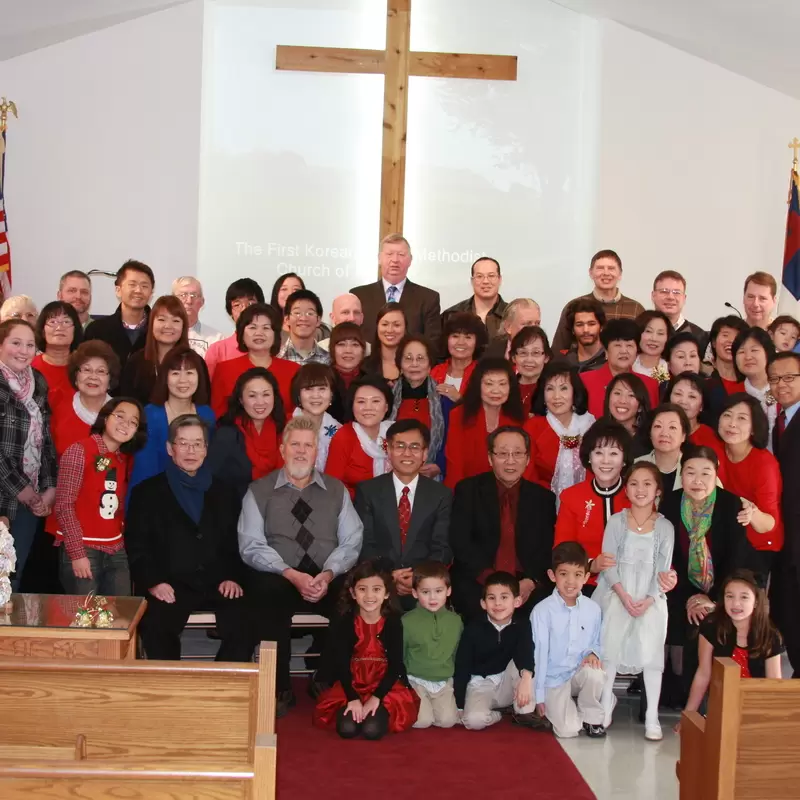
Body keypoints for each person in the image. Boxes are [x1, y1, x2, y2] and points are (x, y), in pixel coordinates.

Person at [238, 416, 363, 714]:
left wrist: (328, 573)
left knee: (353, 602)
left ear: (317, 450)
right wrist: (290, 574)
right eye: (295, 444)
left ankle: (325, 677)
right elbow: (250, 544)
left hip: (325, 574)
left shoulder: (337, 490)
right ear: (282, 449)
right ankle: (279, 687)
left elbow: (352, 540)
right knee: (267, 598)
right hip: (280, 574)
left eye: (308, 445)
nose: (301, 451)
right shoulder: (259, 490)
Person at [126, 414, 253, 661]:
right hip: (170, 583)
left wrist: (232, 577)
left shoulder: (225, 491)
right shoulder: (147, 492)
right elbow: (137, 544)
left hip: (217, 581)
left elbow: (237, 541)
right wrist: (153, 581)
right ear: (170, 448)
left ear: (206, 449)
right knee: (156, 625)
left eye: (197, 443)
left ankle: (222, 687)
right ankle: (174, 692)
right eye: (183, 443)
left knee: (246, 620)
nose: (190, 450)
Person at [660, 446, 760, 700]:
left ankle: (704, 696)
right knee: (668, 610)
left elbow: (736, 560)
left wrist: (712, 598)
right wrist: (690, 597)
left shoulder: (730, 504)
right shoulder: (670, 504)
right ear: (681, 475)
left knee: (711, 616)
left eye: (706, 473)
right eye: (690, 472)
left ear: (715, 476)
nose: (697, 480)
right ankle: (670, 689)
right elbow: (667, 557)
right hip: (680, 587)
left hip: (723, 587)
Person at [595, 462, 674, 740]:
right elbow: (608, 562)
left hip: (650, 598)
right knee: (610, 651)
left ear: (657, 491)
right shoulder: (616, 521)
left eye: (647, 484)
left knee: (653, 656)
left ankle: (652, 715)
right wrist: (624, 595)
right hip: (618, 593)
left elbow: (663, 569)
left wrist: (649, 599)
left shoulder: (665, 527)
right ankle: (604, 705)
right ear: (626, 489)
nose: (640, 490)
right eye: (634, 484)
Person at [449, 426, 555, 619]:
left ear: (528, 459)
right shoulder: (468, 490)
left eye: (517, 454)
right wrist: (491, 582)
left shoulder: (543, 498)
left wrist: (531, 581)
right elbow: (460, 541)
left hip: (526, 586)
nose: (510, 461)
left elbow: (547, 548)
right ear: (490, 458)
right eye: (503, 454)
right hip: (479, 581)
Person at [314, 561, 419, 737]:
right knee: (347, 729)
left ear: (386, 593)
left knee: (372, 730)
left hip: (383, 685)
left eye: (376, 589)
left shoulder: (393, 622)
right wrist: (353, 698)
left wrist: (376, 698)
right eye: (362, 589)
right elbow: (341, 664)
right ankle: (354, 707)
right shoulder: (346, 621)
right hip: (352, 683)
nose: (369, 596)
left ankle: (376, 711)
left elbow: (395, 666)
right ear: (353, 593)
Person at [54, 397, 146, 594]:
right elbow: (63, 505)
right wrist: (77, 554)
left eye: (133, 422)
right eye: (120, 416)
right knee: (86, 618)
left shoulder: (122, 459)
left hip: (115, 549)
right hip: (83, 548)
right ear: (105, 418)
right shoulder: (79, 451)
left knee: (121, 616)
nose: (125, 424)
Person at [355, 420, 452, 603]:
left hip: (425, 587)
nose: (407, 453)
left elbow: (442, 546)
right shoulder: (368, 491)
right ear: (389, 451)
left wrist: (418, 578)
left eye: (415, 447)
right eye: (399, 446)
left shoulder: (441, 495)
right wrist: (389, 575)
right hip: (378, 584)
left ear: (425, 454)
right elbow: (365, 543)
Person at [681, 570, 782, 727]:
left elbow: (774, 683)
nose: (736, 604)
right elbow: (703, 673)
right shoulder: (711, 626)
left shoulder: (770, 635)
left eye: (744, 597)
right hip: (719, 699)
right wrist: (688, 717)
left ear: (755, 602)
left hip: (754, 702)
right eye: (730, 596)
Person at [0, 319, 57, 589]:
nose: (23, 350)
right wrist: (20, 488)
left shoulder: (38, 382)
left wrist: (49, 489)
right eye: (15, 343)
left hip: (29, 501)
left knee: (14, 576)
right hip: (7, 494)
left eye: (30, 345)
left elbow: (45, 440)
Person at [454, 571, 547, 730]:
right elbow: (462, 667)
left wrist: (526, 678)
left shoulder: (522, 624)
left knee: (526, 666)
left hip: (507, 682)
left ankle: (522, 711)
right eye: (491, 598)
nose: (498, 604)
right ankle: (498, 714)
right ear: (483, 603)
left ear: (517, 601)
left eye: (504, 597)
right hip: (481, 684)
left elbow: (525, 652)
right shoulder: (473, 629)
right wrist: (460, 706)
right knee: (473, 721)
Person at [532, 542, 606, 738]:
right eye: (563, 574)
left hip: (578, 672)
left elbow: (598, 641)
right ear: (552, 575)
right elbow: (538, 654)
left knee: (595, 673)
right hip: (553, 679)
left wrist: (593, 652)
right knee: (568, 731)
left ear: (587, 576)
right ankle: (560, 709)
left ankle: (591, 717)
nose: (570, 581)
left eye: (578, 574)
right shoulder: (542, 611)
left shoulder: (593, 609)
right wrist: (538, 696)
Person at [129, 347, 215, 493]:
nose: (183, 380)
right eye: (175, 373)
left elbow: (208, 465)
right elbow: (143, 471)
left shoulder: (207, 414)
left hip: (197, 494)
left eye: (189, 373)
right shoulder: (149, 415)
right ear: (165, 377)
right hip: (155, 496)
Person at [717, 393, 783, 571]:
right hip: (727, 540)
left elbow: (768, 524)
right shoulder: (714, 450)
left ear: (754, 428)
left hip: (758, 545)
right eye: (727, 415)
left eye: (742, 418)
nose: (732, 424)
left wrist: (751, 512)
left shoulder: (764, 464)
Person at [444, 358, 525, 489]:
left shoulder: (519, 418)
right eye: (489, 383)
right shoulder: (459, 415)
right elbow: (455, 465)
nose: (496, 390)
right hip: (469, 492)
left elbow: (523, 464)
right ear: (478, 386)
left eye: (502, 384)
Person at [207, 368, 286, 500]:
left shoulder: (284, 430)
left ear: (274, 397)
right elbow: (210, 480)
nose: (260, 402)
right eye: (252, 396)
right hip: (235, 512)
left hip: (276, 509)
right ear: (241, 400)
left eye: (266, 394)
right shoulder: (226, 435)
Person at [402, 561, 463, 729]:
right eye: (425, 592)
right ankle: (421, 707)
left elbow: (457, 653)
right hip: (416, 681)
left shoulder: (456, 621)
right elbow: (401, 654)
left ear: (448, 591)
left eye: (438, 591)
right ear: (415, 593)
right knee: (422, 721)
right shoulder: (406, 622)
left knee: (447, 722)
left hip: (443, 681)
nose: (433, 597)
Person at [768, 351, 800, 673]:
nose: (781, 384)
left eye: (790, 377)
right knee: (787, 618)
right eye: (775, 379)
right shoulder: (782, 420)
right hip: (786, 543)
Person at [210, 302, 298, 417]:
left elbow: (298, 415)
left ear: (276, 335)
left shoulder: (293, 370)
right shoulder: (224, 369)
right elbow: (217, 414)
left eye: (266, 328)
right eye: (252, 327)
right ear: (241, 334)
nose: (259, 333)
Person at [351, 233, 441, 345]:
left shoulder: (428, 298)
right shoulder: (359, 296)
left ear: (410, 260)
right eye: (389, 254)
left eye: (401, 254)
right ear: (379, 259)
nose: (395, 260)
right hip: (368, 361)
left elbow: (433, 344)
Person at [523, 361, 595, 498]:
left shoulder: (591, 425)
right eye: (550, 389)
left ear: (575, 392)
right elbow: (528, 474)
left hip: (588, 501)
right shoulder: (532, 427)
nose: (557, 396)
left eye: (563, 388)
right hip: (543, 501)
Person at [552, 250, 645, 354]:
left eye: (611, 268)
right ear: (591, 273)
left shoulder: (636, 308)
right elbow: (558, 349)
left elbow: (643, 350)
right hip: (581, 369)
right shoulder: (575, 306)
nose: (606, 273)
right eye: (600, 268)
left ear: (620, 274)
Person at [326, 376, 394, 499]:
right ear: (352, 406)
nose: (368, 407)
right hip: (353, 509)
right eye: (361, 401)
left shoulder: (395, 434)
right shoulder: (344, 437)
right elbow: (332, 487)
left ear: (386, 407)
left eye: (376, 401)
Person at [389, 335, 448, 477]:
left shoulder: (444, 399)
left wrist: (440, 464)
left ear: (429, 365)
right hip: (391, 473)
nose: (414, 364)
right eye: (408, 358)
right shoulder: (387, 398)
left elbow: (453, 441)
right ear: (400, 365)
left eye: (420, 358)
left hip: (431, 477)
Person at [580, 319, 659, 419]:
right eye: (617, 345)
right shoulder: (585, 381)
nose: (624, 351)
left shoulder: (649, 384)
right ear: (606, 352)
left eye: (629, 345)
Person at [119, 295, 190, 405]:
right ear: (151, 323)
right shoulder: (135, 362)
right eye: (161, 319)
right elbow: (126, 404)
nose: (168, 326)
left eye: (176, 321)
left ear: (183, 326)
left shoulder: (194, 362)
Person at [51, 341, 118, 457]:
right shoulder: (56, 403)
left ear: (110, 381)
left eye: (101, 371)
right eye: (86, 370)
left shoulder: (121, 414)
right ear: (76, 376)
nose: (93, 376)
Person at [84, 260, 154, 369]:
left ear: (151, 293)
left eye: (144, 286)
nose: (138, 290)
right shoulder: (97, 330)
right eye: (132, 284)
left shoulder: (158, 331)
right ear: (118, 290)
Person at [667, 372, 727, 472]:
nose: (683, 401)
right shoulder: (657, 429)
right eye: (678, 394)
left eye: (692, 397)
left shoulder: (710, 438)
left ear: (702, 406)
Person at [205, 278, 266, 377]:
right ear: (230, 313)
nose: (244, 309)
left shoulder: (273, 347)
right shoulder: (218, 350)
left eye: (250, 303)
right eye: (237, 305)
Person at [732, 327, 779, 450]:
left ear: (768, 353)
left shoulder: (785, 389)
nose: (748, 357)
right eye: (741, 352)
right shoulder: (733, 395)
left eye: (754, 350)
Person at [290, 363, 341, 472]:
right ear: (298, 394)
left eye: (322, 389)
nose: (316, 396)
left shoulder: (339, 431)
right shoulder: (283, 425)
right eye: (308, 389)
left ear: (332, 394)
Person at [441, 257, 507, 340]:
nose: (485, 281)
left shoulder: (511, 315)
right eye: (479, 276)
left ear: (499, 279)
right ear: (472, 281)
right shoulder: (451, 315)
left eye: (491, 276)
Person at [32, 300, 83, 406]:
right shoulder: (29, 367)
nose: (60, 328)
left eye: (66, 322)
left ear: (75, 330)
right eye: (53, 322)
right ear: (42, 331)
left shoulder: (83, 368)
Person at [430, 311, 486, 404]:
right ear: (446, 339)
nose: (461, 342)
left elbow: (486, 413)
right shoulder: (435, 371)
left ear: (477, 342)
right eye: (455, 336)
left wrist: (459, 400)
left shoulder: (483, 375)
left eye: (468, 337)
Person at [635, 403, 691, 491]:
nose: (664, 433)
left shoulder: (695, 467)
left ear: (683, 436)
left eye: (672, 427)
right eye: (658, 426)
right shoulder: (636, 466)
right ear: (650, 433)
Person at [705, 315, 748, 422]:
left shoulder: (750, 382)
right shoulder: (703, 379)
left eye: (737, 337)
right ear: (714, 342)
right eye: (725, 335)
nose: (730, 341)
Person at [650, 270, 706, 348]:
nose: (670, 297)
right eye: (664, 291)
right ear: (653, 296)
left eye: (676, 292)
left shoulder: (699, 336)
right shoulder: (640, 330)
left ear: (684, 298)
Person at [172, 276, 224, 357]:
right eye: (183, 295)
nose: (189, 301)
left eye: (194, 295)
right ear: (173, 300)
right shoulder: (165, 334)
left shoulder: (216, 339)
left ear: (202, 301)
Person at [328, 322, 368, 422]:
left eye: (355, 345)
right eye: (341, 344)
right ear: (332, 349)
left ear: (363, 350)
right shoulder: (322, 379)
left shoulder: (371, 381)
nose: (348, 350)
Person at [278, 289, 331, 365]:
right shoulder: (277, 357)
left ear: (318, 320)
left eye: (310, 313)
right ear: (287, 319)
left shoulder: (328, 360)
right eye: (297, 313)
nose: (303, 318)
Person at [602, 372, 652, 452]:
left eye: (631, 395)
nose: (623, 401)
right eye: (617, 393)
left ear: (640, 407)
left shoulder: (649, 437)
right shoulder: (597, 432)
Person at [510, 325, 551, 416]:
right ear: (513, 357)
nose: (529, 360)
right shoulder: (505, 387)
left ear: (546, 357)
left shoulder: (553, 390)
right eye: (523, 353)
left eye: (536, 353)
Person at [362, 303, 406, 384]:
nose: (390, 330)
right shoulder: (364, 367)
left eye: (396, 325)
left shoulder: (415, 365)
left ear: (405, 328)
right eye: (385, 324)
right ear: (377, 327)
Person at [561, 298, 607, 372]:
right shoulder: (564, 361)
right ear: (572, 329)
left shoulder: (611, 361)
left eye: (591, 324)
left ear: (601, 327)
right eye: (579, 324)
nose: (585, 330)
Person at [632, 310, 673, 384]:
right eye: (648, 331)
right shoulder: (627, 362)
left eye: (660, 333)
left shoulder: (666, 369)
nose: (654, 338)